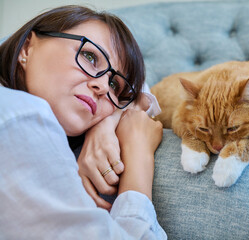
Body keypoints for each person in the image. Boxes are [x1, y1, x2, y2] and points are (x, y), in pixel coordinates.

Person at [0, 5, 166, 239]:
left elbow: (142, 93)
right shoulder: (23, 118)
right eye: (90, 57)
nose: (102, 87)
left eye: (114, 86)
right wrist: (139, 157)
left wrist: (106, 124)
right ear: (27, 47)